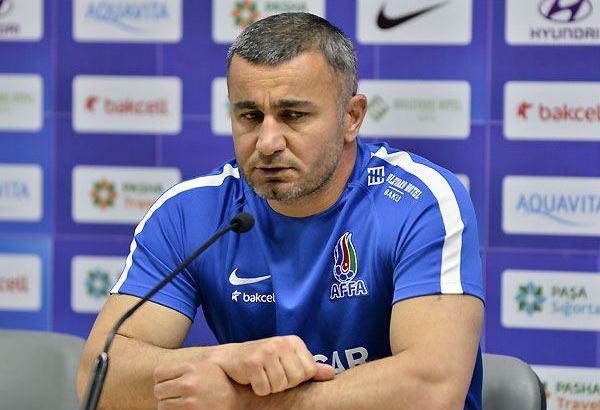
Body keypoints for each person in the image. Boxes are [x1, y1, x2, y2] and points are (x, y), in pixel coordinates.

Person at [77, 12, 484, 410]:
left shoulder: (420, 202)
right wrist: (222, 359)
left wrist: (242, 400)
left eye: (293, 115)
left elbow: (432, 390)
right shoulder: (190, 214)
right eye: (250, 116)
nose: (268, 142)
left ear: (351, 117)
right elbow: (98, 377)